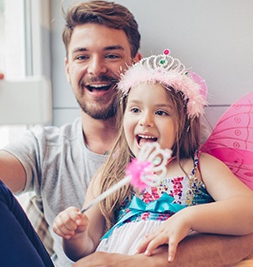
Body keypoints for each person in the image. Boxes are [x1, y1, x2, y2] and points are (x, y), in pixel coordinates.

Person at [0, 1, 253, 266]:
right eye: (82, 56)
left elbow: (246, 219)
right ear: (67, 67)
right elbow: (83, 245)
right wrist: (74, 232)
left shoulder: (198, 162)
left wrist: (179, 229)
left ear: (134, 64)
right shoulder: (95, 167)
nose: (95, 68)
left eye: (111, 55)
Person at [52, 52, 253, 264]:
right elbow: (85, 249)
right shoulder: (110, 175)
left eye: (161, 112)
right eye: (136, 109)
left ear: (183, 123)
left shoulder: (199, 166)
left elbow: (247, 210)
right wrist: (74, 235)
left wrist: (188, 218)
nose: (145, 121)